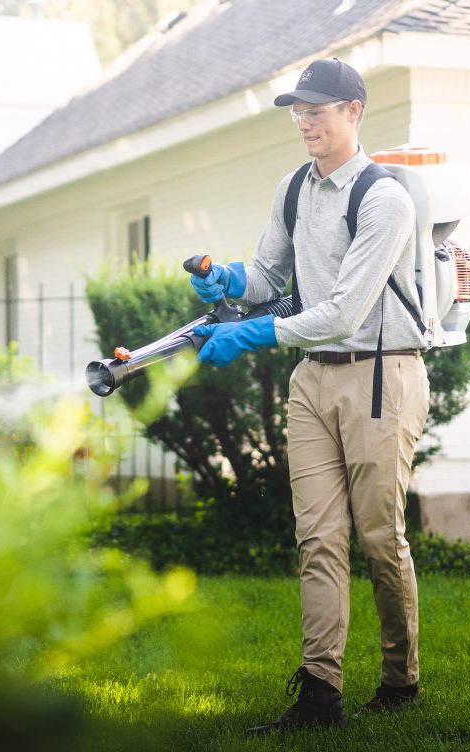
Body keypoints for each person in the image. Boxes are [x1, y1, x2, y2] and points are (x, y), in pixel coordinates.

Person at [191, 58, 430, 732]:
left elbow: (344, 311)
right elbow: (269, 275)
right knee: (318, 539)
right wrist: (229, 281)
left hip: (380, 373)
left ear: (353, 111)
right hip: (313, 380)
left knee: (381, 539)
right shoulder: (294, 188)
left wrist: (254, 335)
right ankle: (321, 694)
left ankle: (399, 680)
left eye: (316, 109)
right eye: (298, 109)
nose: (304, 121)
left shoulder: (385, 200)